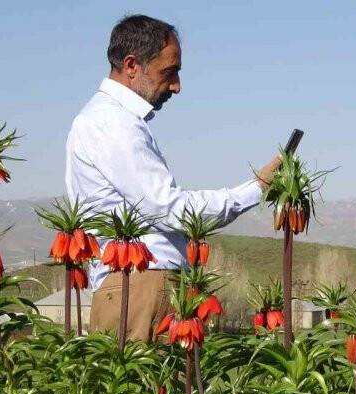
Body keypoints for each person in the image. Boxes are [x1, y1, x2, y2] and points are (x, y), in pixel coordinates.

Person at [65, 14, 281, 342]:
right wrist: (255, 189)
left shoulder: (110, 120)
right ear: (132, 65)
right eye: (170, 72)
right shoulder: (112, 123)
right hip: (138, 283)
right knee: (145, 390)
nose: (177, 86)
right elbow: (171, 209)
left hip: (138, 282)